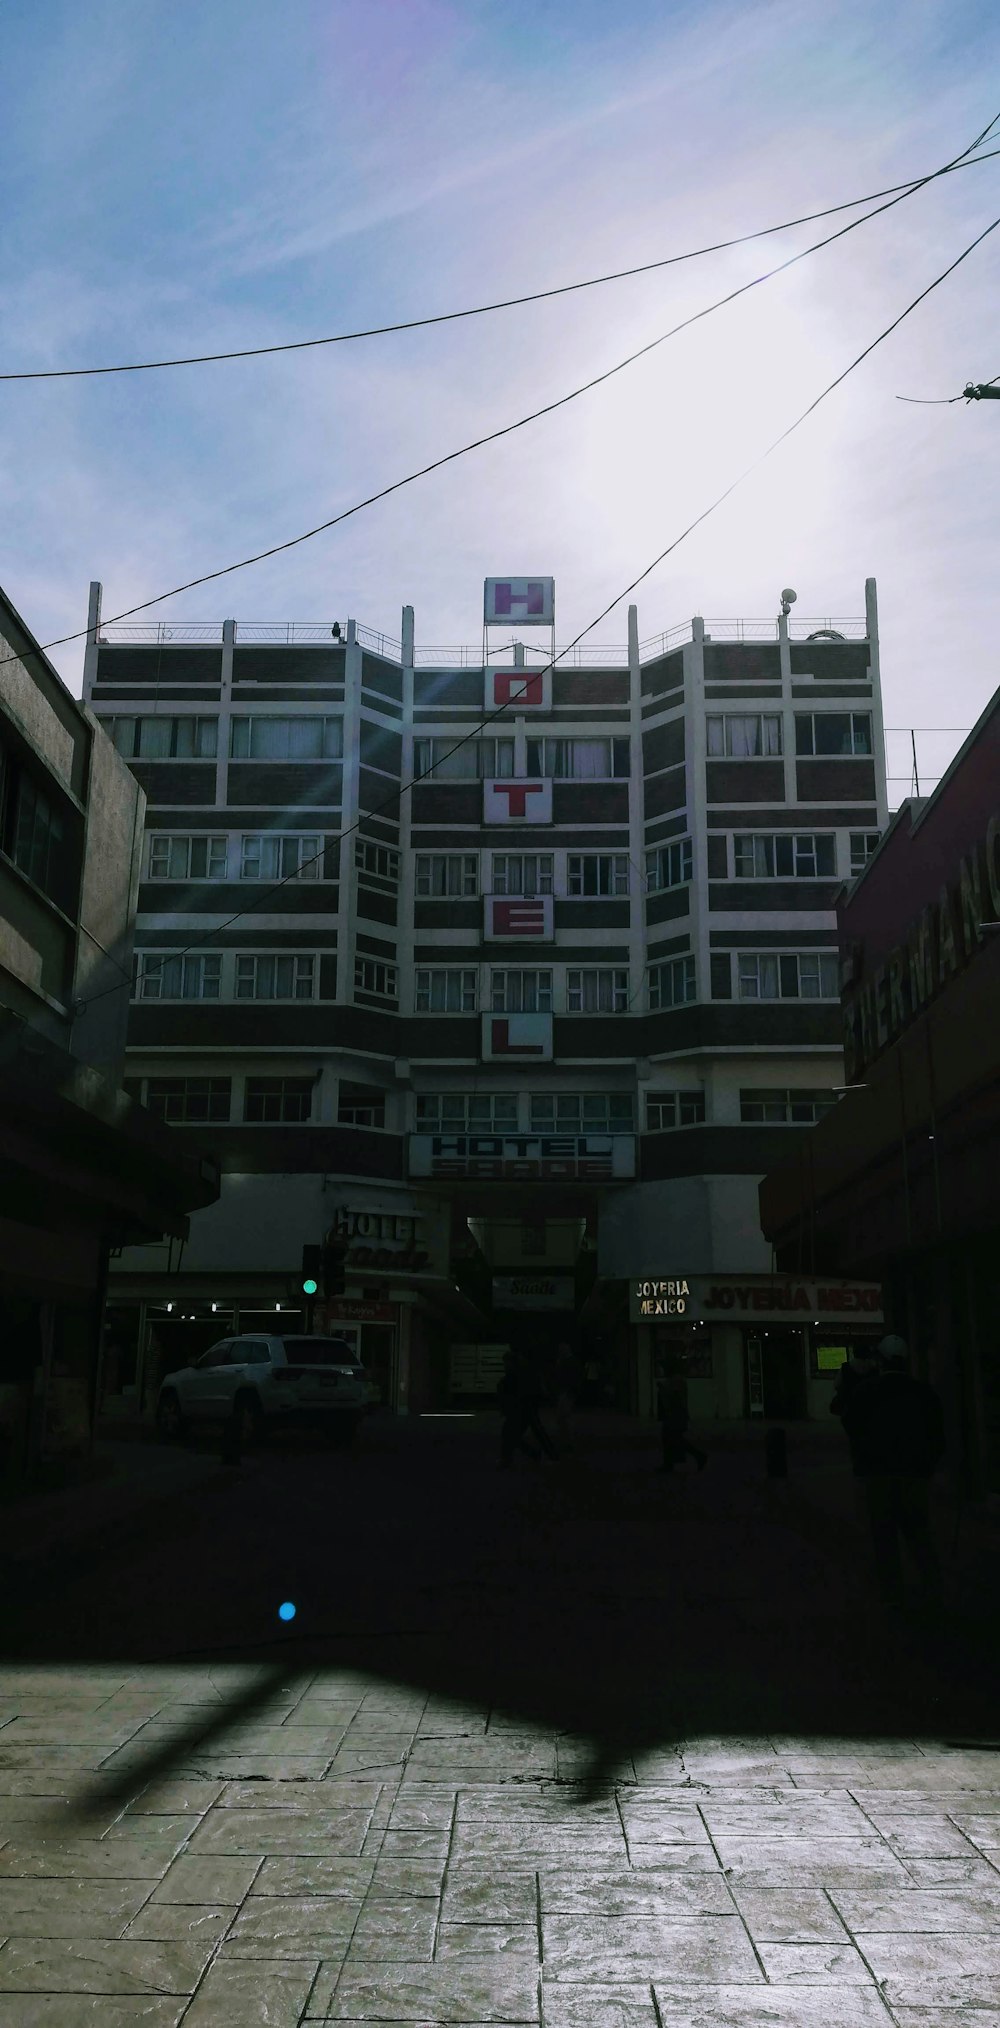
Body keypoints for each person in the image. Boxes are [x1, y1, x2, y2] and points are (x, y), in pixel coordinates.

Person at [840, 1333, 946, 1610]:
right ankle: (934, 1587)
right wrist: (928, 1466)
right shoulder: (923, 1393)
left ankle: (893, 1594)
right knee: (919, 1532)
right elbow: (938, 1435)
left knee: (884, 1536)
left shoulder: (866, 1391)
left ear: (882, 1360)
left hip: (879, 1474)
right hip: (914, 1474)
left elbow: (852, 1426)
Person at [497, 1349, 559, 1469]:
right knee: (527, 1433)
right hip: (525, 1408)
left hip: (522, 1408)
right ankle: (543, 1455)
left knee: (511, 1434)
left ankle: (510, 1459)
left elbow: (512, 1391)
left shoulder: (516, 1375)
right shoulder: (524, 1373)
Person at [656, 1359, 706, 1473]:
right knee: (674, 1439)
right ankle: (670, 1463)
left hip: (674, 1415)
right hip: (676, 1414)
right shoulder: (678, 1380)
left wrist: (662, 1389)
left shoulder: (676, 1380)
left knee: (673, 1439)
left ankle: (697, 1456)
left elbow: (674, 1396)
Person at [552, 1341, 581, 1453]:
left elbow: (563, 1377)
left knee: (563, 1417)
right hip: (567, 1391)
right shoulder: (571, 1361)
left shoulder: (566, 1362)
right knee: (564, 1417)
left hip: (566, 1391)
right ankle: (567, 1441)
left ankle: (567, 1442)